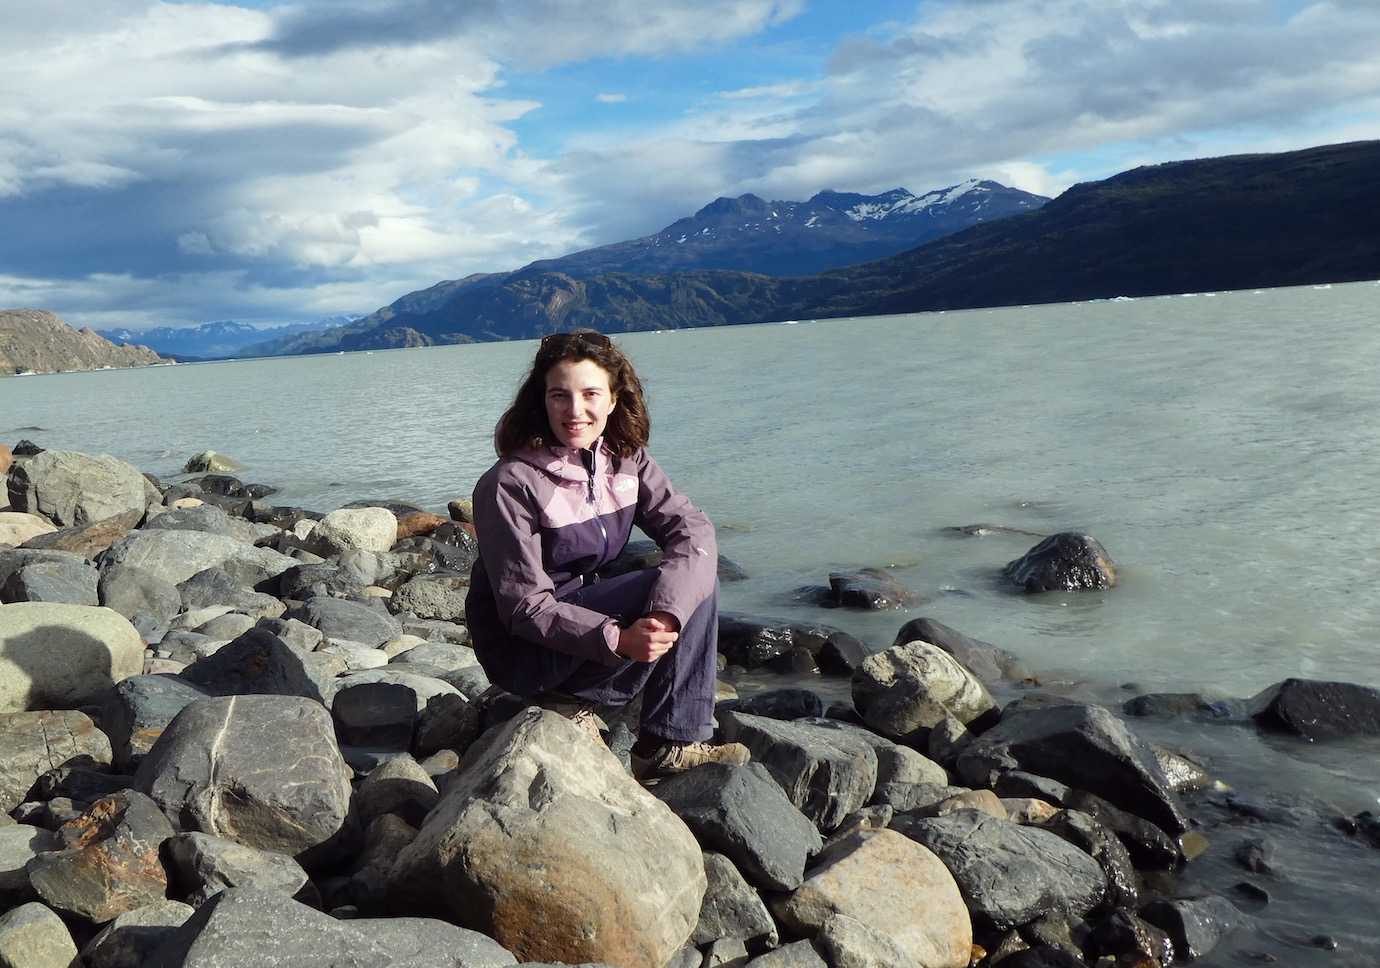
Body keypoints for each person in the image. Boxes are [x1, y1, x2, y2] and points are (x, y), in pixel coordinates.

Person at [465, 330, 750, 778]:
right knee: (663, 584)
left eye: (590, 393)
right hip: (522, 648)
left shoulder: (626, 459)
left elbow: (692, 530)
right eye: (559, 395)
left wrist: (667, 617)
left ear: (614, 399)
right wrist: (617, 639)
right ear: (541, 401)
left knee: (689, 581)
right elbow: (523, 607)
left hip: (579, 615)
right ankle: (564, 701)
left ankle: (666, 742)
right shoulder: (510, 485)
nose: (575, 411)